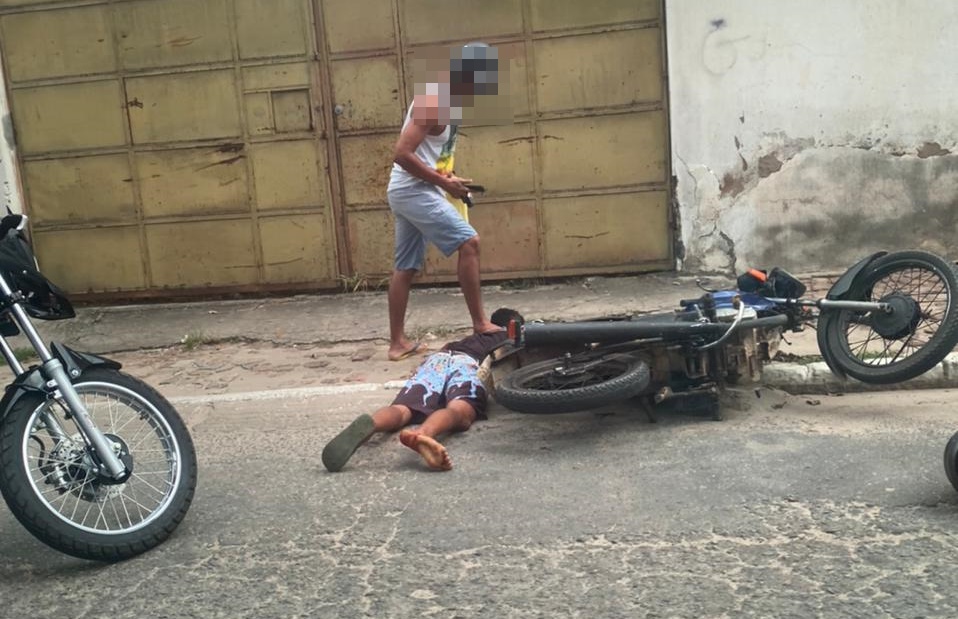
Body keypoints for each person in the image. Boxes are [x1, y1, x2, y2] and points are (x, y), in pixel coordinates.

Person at [386, 42, 501, 361]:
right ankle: (480, 324)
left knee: (405, 267)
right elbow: (402, 154)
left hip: (416, 190)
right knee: (470, 243)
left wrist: (452, 181)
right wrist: (442, 183)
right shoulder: (433, 100)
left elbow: (431, 156)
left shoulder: (451, 102)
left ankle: (398, 344)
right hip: (412, 191)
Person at [322, 308, 523, 472]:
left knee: (403, 409)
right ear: (513, 326)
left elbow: (444, 349)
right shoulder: (507, 337)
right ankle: (424, 434)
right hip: (467, 365)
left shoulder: (469, 339)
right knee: (459, 411)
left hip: (437, 360)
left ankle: (372, 424)